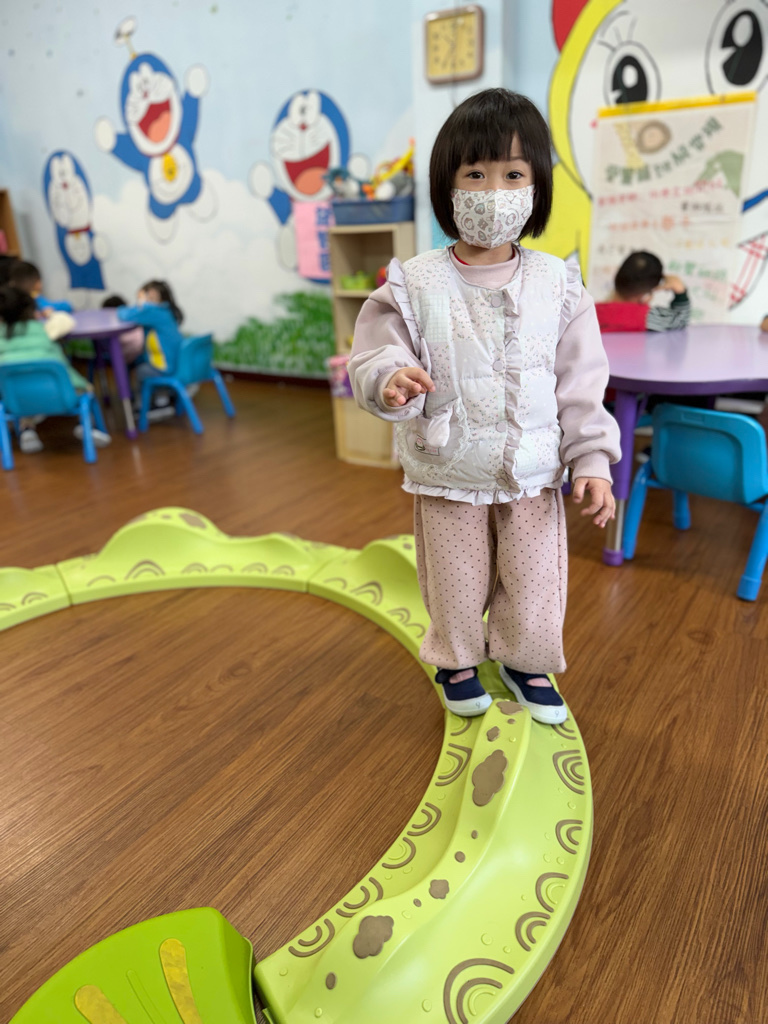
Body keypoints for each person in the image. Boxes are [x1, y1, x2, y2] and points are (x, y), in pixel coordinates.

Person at [348, 89, 620, 724]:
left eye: (513, 174)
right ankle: (457, 659)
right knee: (456, 578)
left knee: (534, 580)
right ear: (447, 184)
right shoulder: (413, 283)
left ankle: (526, 661)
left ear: (536, 186)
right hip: (448, 468)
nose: (494, 191)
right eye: (475, 173)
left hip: (532, 472)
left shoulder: (560, 285)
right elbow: (374, 353)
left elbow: (582, 382)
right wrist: (388, 379)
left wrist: (593, 461)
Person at [0, 285, 110, 453]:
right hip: (62, 396)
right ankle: (86, 425)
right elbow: (66, 321)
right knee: (87, 390)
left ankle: (27, 430)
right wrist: (49, 314)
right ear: (31, 310)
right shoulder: (44, 329)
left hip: (16, 401)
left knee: (24, 385)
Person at [117, 280, 185, 417]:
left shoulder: (154, 312)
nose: (148, 302)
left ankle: (145, 405)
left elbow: (123, 314)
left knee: (141, 371)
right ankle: (160, 396)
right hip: (175, 362)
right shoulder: (166, 310)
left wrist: (141, 303)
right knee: (137, 360)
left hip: (165, 366)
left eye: (151, 298)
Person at [595, 251, 691, 332]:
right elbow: (680, 320)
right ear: (645, 295)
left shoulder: (592, 311)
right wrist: (680, 292)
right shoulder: (648, 317)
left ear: (617, 278)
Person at [8, 260, 73, 315]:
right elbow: (67, 306)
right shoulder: (36, 298)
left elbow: (66, 306)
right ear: (37, 283)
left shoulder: (9, 302)